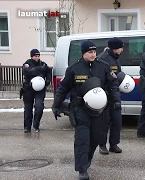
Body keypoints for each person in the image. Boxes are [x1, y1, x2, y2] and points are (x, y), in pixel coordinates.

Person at [51, 40, 121, 179]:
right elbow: (63, 88)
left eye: (94, 52)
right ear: (83, 53)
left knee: (96, 138)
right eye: (90, 52)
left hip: (99, 110)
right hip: (80, 109)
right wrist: (56, 105)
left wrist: (116, 101)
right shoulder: (74, 68)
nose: (93, 54)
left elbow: (112, 84)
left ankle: (87, 160)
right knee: (82, 139)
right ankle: (82, 169)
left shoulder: (104, 66)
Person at [97, 37, 124, 154]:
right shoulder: (102, 59)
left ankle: (114, 144)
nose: (122, 50)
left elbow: (116, 75)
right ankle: (102, 145)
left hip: (115, 94)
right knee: (104, 122)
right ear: (115, 48)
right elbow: (99, 78)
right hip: (105, 95)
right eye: (121, 47)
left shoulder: (116, 59)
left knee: (117, 121)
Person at [21, 49, 51, 133]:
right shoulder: (27, 64)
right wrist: (40, 69)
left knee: (39, 107)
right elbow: (28, 72)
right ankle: (27, 127)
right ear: (32, 56)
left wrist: (48, 80)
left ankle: (36, 124)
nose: (37, 58)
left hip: (40, 89)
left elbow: (48, 72)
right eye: (35, 56)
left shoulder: (43, 64)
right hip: (28, 89)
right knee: (28, 109)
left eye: (38, 56)